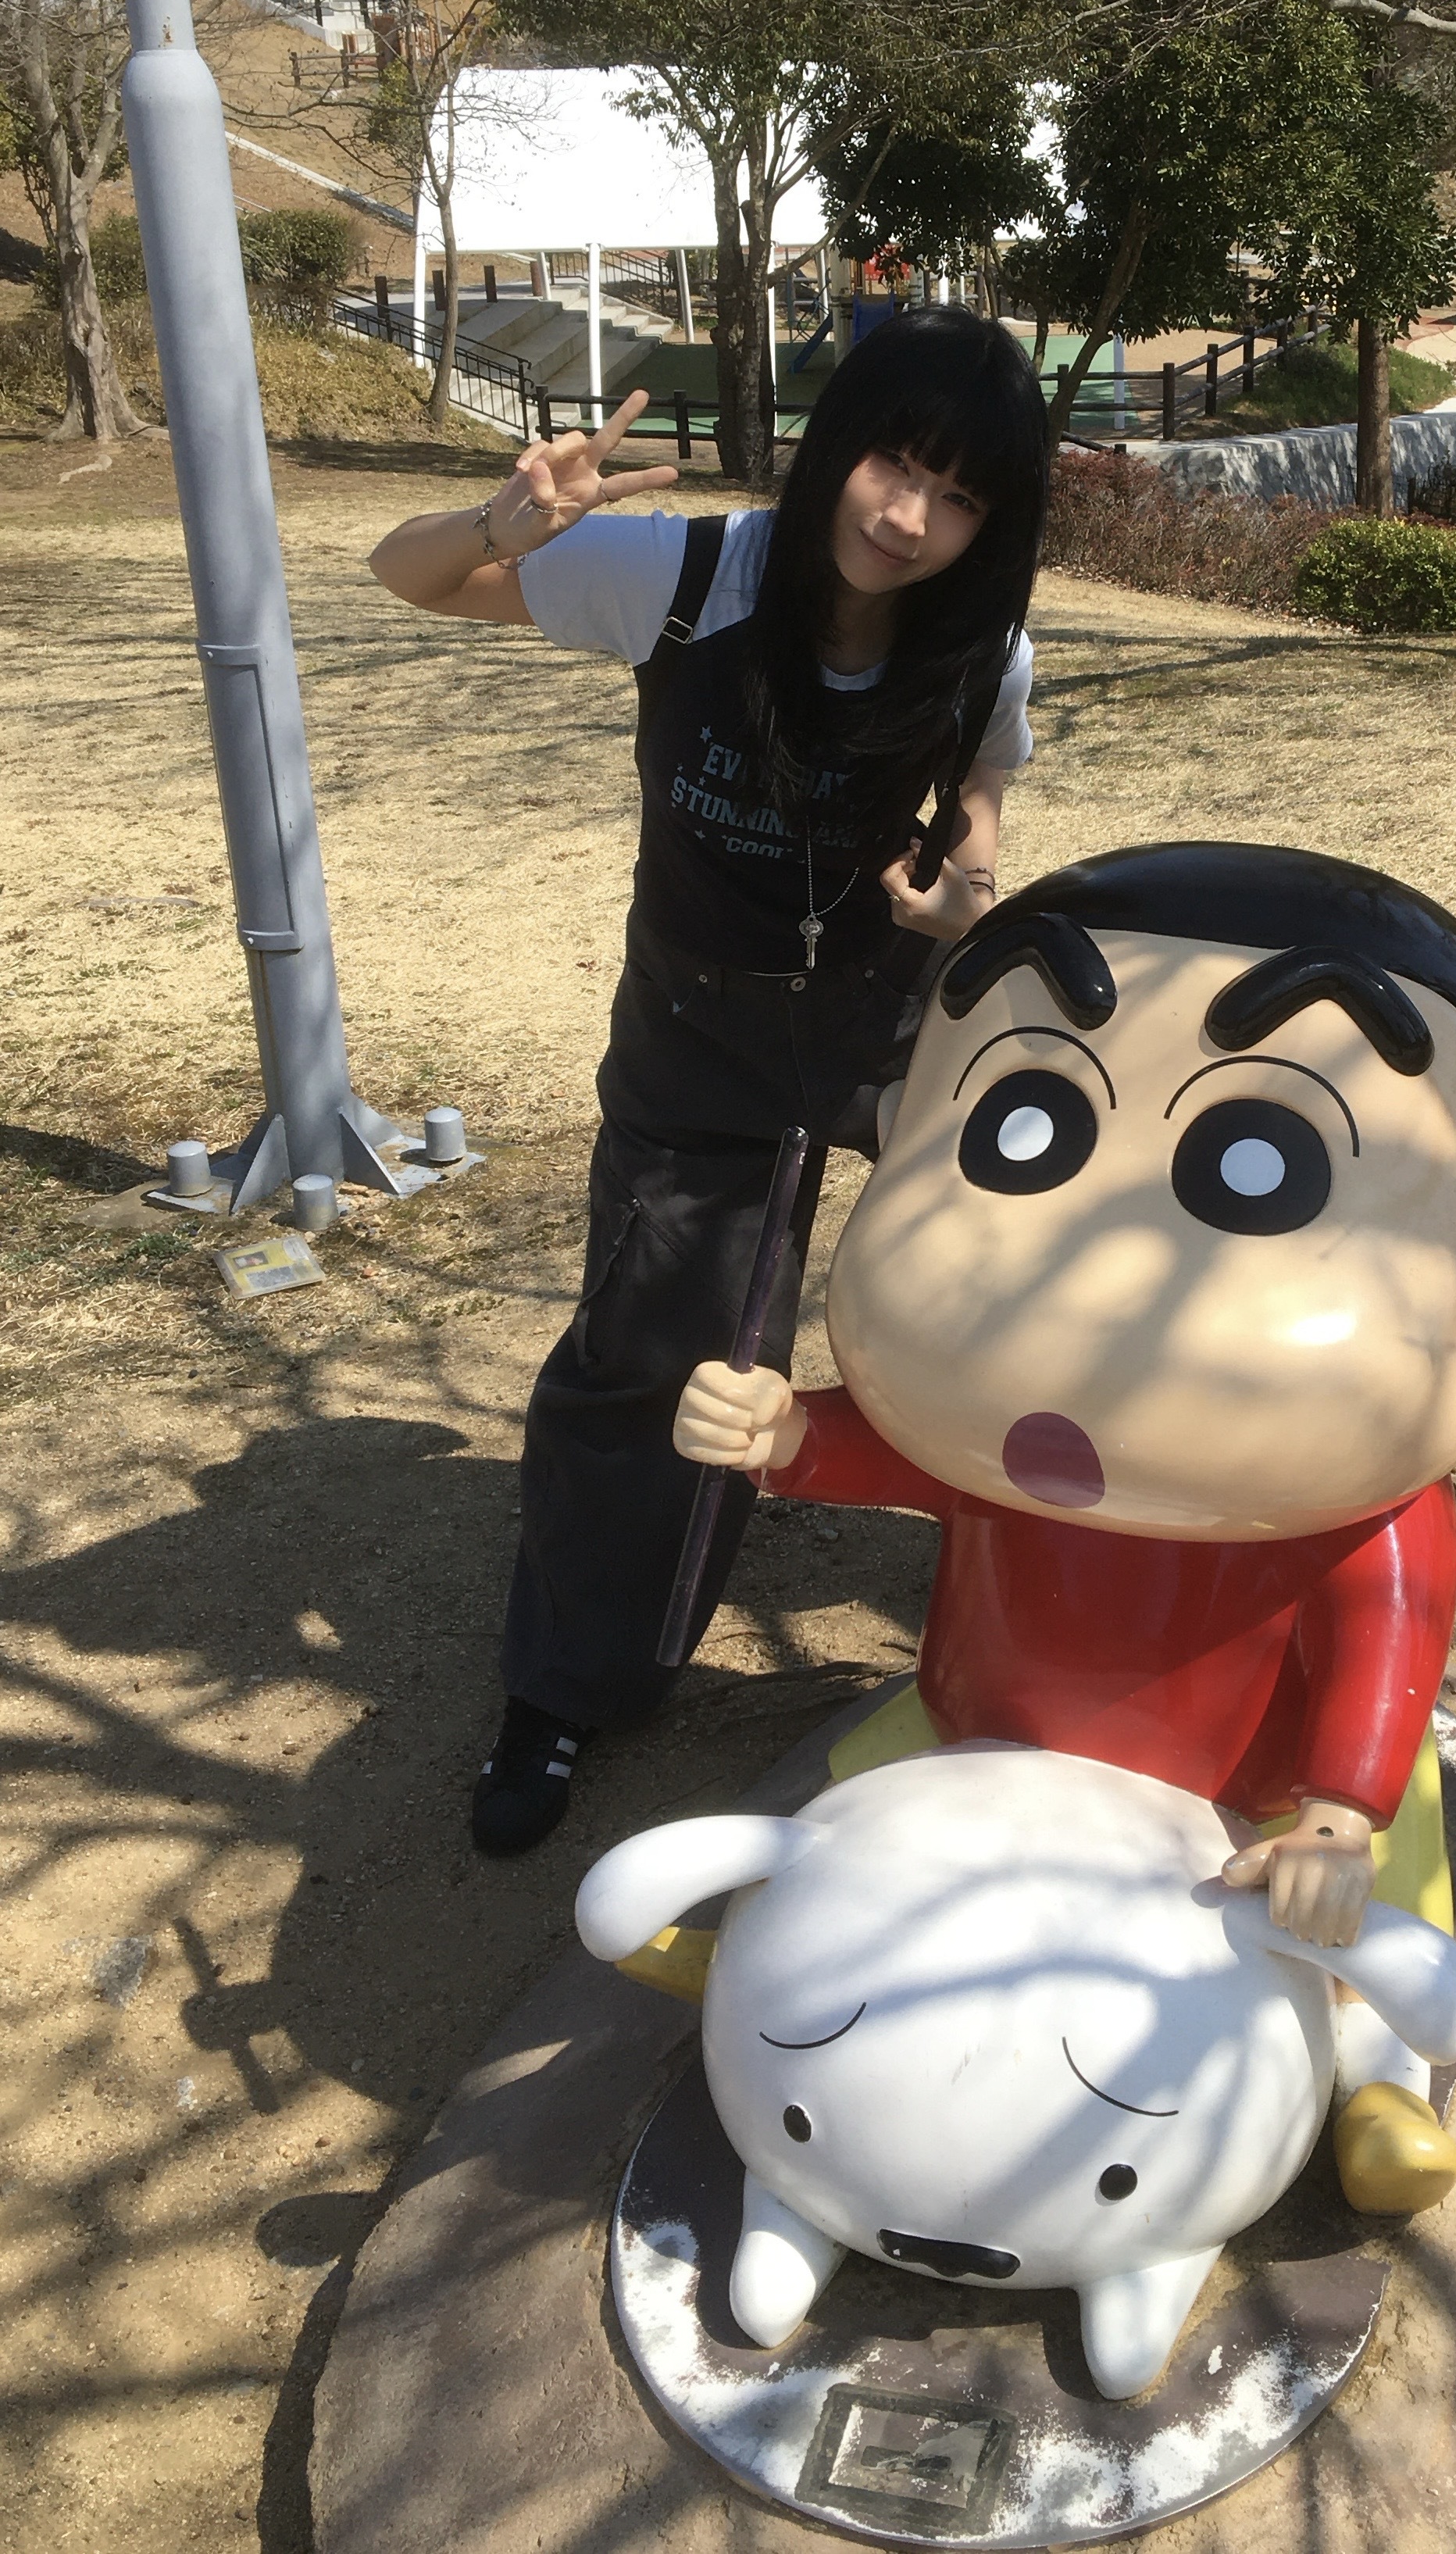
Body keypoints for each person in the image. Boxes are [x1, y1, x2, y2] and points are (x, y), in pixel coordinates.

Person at [671, 839, 1456, 2209]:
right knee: (838, 1821)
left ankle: (1376, 2084)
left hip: (1265, 1784)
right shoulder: (986, 1427)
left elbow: (1387, 1636)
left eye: (1263, 1166)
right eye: (1021, 1126)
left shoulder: (1360, 1515)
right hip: (990, 1725)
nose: (1101, 1281)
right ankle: (767, 1960)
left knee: (1364, 1911)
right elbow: (898, 1452)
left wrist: (1343, 1806)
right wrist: (785, 1437)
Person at [367, 305, 1050, 1855]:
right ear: (838, 442)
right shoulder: (685, 578)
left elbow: (987, 779)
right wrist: (503, 523)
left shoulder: (980, 646)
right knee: (655, 1352)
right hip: (697, 1030)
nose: (907, 519)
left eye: (957, 498)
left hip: (893, 1022)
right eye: (893, 464)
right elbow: (408, 576)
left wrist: (971, 874)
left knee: (1023, 1271)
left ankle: (1083, 1589)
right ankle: (568, 1685)